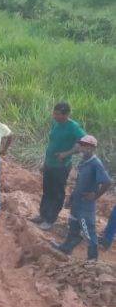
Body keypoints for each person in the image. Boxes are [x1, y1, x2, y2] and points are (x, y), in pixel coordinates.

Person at [51, 135, 112, 261]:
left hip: (86, 206)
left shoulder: (96, 163)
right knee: (73, 226)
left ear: (92, 147)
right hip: (77, 203)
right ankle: (66, 248)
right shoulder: (83, 161)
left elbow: (107, 182)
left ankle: (92, 259)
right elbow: (79, 182)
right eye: (81, 144)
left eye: (85, 145)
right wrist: (71, 197)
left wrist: (95, 196)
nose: (82, 147)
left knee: (88, 232)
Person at [31, 102, 86, 231]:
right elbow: (52, 144)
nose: (54, 116)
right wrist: (45, 163)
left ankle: (50, 220)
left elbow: (85, 142)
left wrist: (67, 153)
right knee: (47, 191)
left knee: (57, 193)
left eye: (57, 114)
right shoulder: (56, 123)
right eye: (54, 113)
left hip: (61, 166)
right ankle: (43, 215)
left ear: (66, 114)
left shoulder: (73, 127)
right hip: (50, 164)